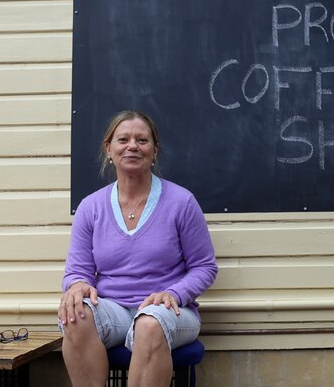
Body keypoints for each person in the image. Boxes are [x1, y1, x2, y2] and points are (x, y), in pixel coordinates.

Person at [58, 110, 218, 387]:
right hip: (113, 311)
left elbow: (205, 267)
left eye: (142, 140)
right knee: (76, 314)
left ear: (154, 151)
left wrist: (174, 293)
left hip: (170, 312)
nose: (133, 145)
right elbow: (77, 271)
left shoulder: (181, 202)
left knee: (149, 323)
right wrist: (76, 285)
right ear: (109, 149)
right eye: (123, 139)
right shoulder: (91, 207)